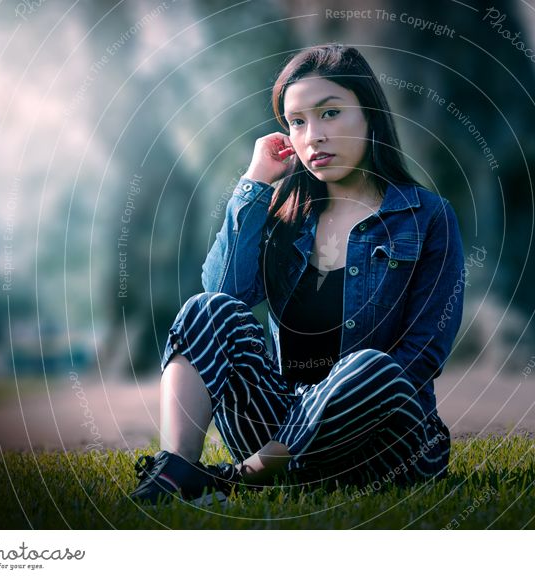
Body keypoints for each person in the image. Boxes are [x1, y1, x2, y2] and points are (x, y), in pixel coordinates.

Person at [129, 43, 465, 506]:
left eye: (329, 114)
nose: (312, 136)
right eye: (297, 121)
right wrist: (254, 183)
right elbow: (223, 299)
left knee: (371, 366)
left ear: (370, 116)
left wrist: (328, 403)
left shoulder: (427, 216)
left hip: (385, 441)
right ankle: (177, 472)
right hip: (279, 425)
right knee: (203, 310)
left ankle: (242, 477)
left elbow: (425, 351)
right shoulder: (282, 214)